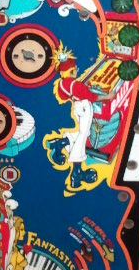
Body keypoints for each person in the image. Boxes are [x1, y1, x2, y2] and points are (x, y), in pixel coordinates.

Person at [48, 55, 114, 188]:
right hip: (84, 107)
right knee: (82, 137)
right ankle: (76, 173)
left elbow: (63, 96)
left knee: (83, 133)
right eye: (75, 69)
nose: (77, 71)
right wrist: (107, 96)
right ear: (71, 71)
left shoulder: (62, 83)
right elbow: (92, 97)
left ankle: (59, 143)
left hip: (76, 108)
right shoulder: (76, 84)